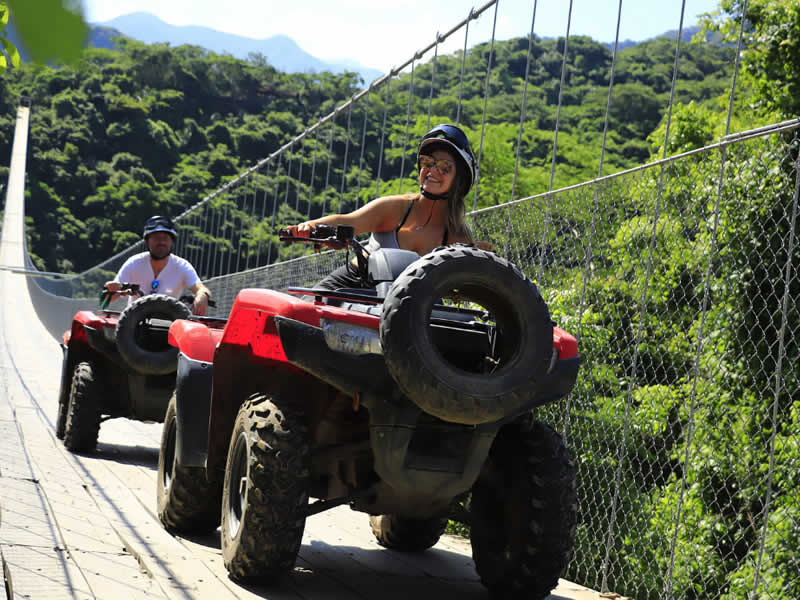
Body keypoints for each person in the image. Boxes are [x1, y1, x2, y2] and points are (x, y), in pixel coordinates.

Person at [284, 123, 490, 290]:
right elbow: (348, 221)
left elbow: (462, 288)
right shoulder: (395, 208)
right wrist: (311, 226)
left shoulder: (458, 236)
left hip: (404, 304)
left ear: (458, 181)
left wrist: (480, 265)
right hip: (351, 284)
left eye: (445, 167)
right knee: (300, 315)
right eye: (427, 163)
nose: (433, 171)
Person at [104, 215, 212, 315]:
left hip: (169, 323)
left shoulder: (182, 266)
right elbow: (110, 297)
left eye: (165, 238)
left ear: (172, 242)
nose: (161, 242)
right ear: (147, 241)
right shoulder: (134, 263)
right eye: (156, 238)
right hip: (134, 322)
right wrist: (111, 290)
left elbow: (201, 288)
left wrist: (202, 295)